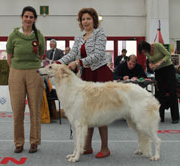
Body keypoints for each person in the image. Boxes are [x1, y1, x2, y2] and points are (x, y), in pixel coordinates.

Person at [57, 8, 112, 158]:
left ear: (94, 20)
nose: (85, 21)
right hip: (87, 75)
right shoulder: (79, 37)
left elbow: (99, 54)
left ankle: (105, 148)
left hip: (100, 73)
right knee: (86, 112)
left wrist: (79, 62)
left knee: (101, 112)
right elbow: (72, 54)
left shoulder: (100, 33)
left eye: (88, 18)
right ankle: (87, 146)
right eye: (83, 19)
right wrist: (57, 63)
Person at [6, 6, 45, 153]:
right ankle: (18, 142)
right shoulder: (13, 35)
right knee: (17, 110)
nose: (28, 19)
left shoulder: (39, 35)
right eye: (26, 16)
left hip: (34, 73)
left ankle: (34, 141)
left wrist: (30, 66)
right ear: (22, 17)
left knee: (35, 108)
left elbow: (41, 54)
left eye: (31, 17)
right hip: (16, 73)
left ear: (34, 19)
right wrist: (17, 69)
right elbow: (9, 56)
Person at [138, 41, 179, 124]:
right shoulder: (146, 52)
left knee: (172, 91)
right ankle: (160, 117)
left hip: (168, 69)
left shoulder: (157, 45)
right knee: (159, 93)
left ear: (146, 47)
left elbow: (168, 55)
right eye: (143, 52)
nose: (144, 53)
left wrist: (160, 62)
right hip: (158, 72)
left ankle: (175, 117)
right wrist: (150, 65)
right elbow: (150, 60)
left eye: (144, 51)